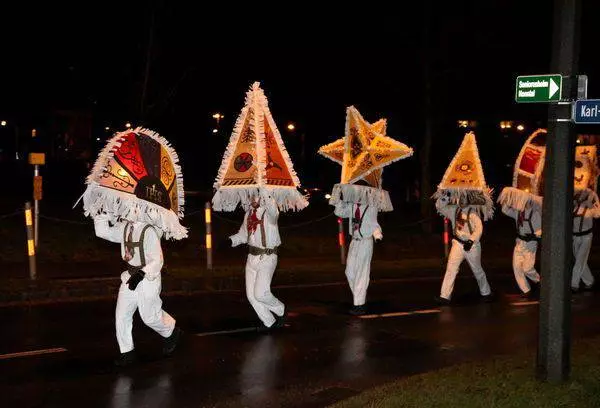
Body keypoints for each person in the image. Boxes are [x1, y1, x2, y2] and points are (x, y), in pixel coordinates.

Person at [94, 215, 181, 366]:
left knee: (149, 317)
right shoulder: (125, 227)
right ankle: (127, 353)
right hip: (129, 276)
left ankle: (171, 331)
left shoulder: (149, 230)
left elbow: (157, 259)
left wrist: (141, 274)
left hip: (148, 279)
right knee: (122, 315)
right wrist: (101, 214)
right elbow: (103, 232)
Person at [229, 190, 286, 331]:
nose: (252, 198)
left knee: (260, 293)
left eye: (255, 195)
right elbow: (243, 235)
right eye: (250, 195)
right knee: (251, 296)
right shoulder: (248, 214)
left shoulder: (270, 213)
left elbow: (274, 210)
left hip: (267, 257)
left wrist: (263, 188)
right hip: (251, 258)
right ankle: (269, 322)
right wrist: (229, 241)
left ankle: (280, 309)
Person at [435, 192, 492, 304]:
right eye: (460, 197)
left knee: (477, 270)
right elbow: (439, 207)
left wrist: (471, 240)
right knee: (451, 268)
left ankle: (486, 293)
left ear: (468, 199)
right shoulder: (454, 210)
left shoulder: (473, 213)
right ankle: (445, 296)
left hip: (472, 246)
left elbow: (479, 228)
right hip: (457, 243)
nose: (462, 200)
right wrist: (446, 196)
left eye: (464, 198)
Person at [334, 199, 383, 315]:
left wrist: (377, 235)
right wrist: (337, 200)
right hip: (354, 241)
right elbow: (340, 212)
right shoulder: (352, 204)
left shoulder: (371, 205)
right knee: (349, 272)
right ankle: (360, 296)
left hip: (365, 241)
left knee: (362, 273)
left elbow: (374, 223)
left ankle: (359, 305)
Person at [501, 198, 542, 298]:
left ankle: (539, 280)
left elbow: (543, 227)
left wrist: (535, 235)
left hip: (530, 244)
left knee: (527, 268)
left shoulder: (535, 213)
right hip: (519, 243)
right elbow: (505, 210)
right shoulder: (518, 212)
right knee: (517, 268)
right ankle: (526, 290)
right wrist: (509, 198)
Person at [571, 189, 600, 292]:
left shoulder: (591, 208)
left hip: (586, 238)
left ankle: (574, 284)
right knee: (580, 260)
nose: (581, 195)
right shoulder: (575, 207)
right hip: (575, 237)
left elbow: (598, 214)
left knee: (579, 260)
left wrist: (594, 196)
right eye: (580, 194)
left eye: (584, 194)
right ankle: (590, 281)